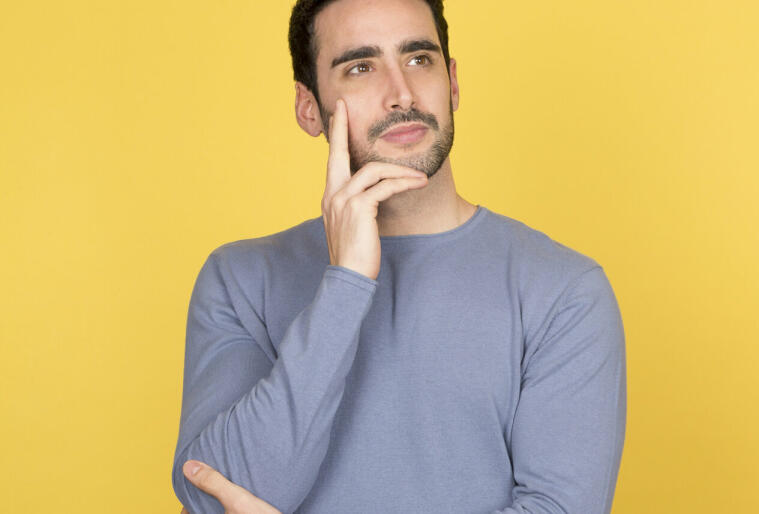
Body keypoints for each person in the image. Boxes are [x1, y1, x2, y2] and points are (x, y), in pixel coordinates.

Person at [170, 0, 627, 512]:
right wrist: (344, 285)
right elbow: (210, 494)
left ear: (452, 82)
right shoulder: (240, 279)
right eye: (360, 67)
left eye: (418, 59)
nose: (401, 94)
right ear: (308, 105)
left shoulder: (564, 291)